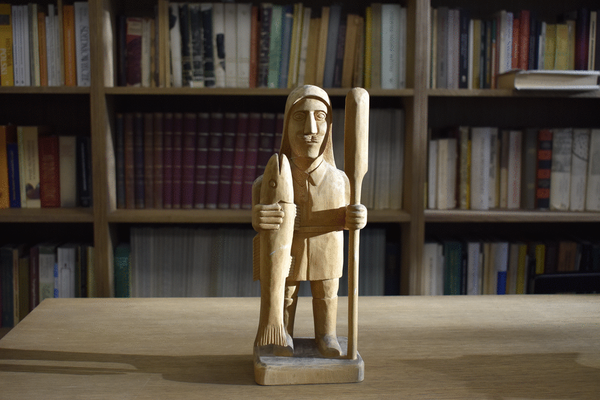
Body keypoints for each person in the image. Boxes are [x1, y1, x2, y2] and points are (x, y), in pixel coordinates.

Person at [252, 85, 367, 357]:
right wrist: (259, 216)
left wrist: (356, 217)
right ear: (286, 125)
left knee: (326, 294)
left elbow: (347, 216)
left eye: (320, 117)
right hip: (286, 248)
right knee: (285, 294)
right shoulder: (272, 179)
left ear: (329, 126)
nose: (310, 129)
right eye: (300, 117)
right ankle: (282, 334)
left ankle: (326, 335)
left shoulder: (341, 180)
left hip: (327, 247)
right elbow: (259, 216)